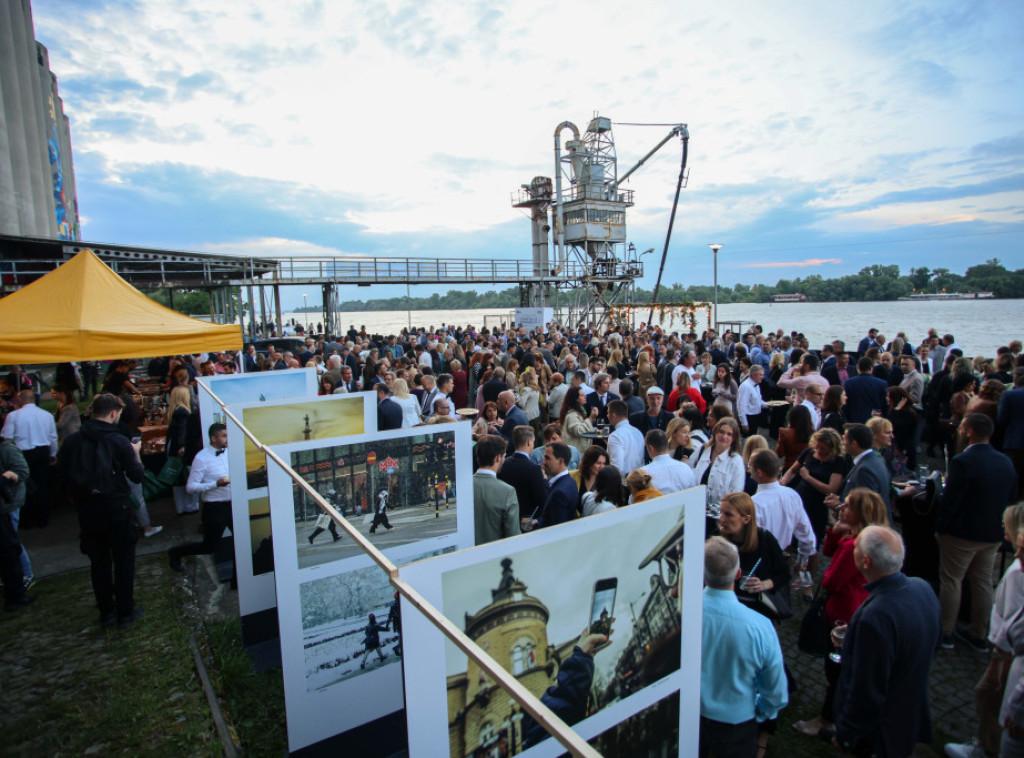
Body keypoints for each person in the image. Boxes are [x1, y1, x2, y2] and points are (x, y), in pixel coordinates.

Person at [831, 526, 942, 757]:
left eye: (856, 547)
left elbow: (866, 690)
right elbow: (924, 640)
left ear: (866, 561)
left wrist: (846, 733)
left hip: (881, 730)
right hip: (909, 708)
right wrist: (855, 639)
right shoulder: (922, 587)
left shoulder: (874, 617)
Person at [793, 488, 890, 740]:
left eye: (847, 506)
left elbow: (830, 581)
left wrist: (825, 573)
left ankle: (827, 720)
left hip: (843, 613)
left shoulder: (854, 547)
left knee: (836, 671)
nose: (841, 508)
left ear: (860, 513)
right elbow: (827, 551)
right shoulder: (860, 537)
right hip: (853, 607)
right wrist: (836, 530)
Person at [59, 393, 145, 628]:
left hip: (88, 508)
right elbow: (137, 476)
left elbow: (61, 477)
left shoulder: (72, 442)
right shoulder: (119, 441)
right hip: (117, 506)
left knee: (99, 562)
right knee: (124, 561)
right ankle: (125, 612)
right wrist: (136, 453)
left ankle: (106, 611)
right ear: (113, 413)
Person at [944, 504, 1024, 758]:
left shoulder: (1017, 573)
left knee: (990, 697)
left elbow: (1013, 622)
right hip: (1004, 650)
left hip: (1007, 654)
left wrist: (999, 658)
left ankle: (986, 748)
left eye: (1006, 523)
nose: (1002, 526)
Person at [936, 413, 1018, 651]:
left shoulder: (963, 461)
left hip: (962, 533)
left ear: (969, 431)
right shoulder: (1005, 462)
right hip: (992, 532)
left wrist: (941, 527)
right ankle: (979, 633)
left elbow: (951, 500)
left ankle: (945, 632)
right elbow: (1011, 496)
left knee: (952, 580)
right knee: (983, 582)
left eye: (962, 427)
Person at [700, 536, 788, 758]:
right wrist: (761, 710)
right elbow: (776, 691)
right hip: (737, 721)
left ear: (702, 573)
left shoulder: (684, 614)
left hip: (690, 714)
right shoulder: (760, 626)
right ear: (738, 574)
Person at [168, 423, 234, 577]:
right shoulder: (201, 458)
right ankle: (176, 552)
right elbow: (190, 487)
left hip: (233, 505)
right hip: (215, 508)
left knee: (241, 541)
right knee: (209, 546)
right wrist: (215, 484)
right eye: (224, 436)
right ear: (213, 438)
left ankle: (236, 579)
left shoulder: (230, 453)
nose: (228, 439)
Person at [750, 449, 816, 570]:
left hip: (759, 563)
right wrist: (802, 559)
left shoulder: (755, 503)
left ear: (759, 472)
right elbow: (805, 531)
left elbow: (751, 540)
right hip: (781, 561)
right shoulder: (792, 495)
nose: (749, 469)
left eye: (750, 465)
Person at [781, 427, 848, 546]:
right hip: (799, 499)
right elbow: (792, 470)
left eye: (823, 448)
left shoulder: (838, 461)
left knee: (811, 539)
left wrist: (808, 478)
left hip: (817, 506)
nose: (819, 450)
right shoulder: (809, 453)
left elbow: (831, 488)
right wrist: (782, 483)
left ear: (832, 448)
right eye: (817, 447)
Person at [1, 390, 57, 529]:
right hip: (42, 451)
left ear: (20, 400)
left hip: (22, 453)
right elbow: (53, 437)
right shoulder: (46, 415)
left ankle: (27, 519)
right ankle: (43, 518)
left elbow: (6, 437)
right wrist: (53, 453)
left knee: (24, 485)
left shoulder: (13, 416)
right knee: (42, 484)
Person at [827, 424, 892, 518]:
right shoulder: (874, 460)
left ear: (854, 443)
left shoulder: (865, 470)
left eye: (844, 439)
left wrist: (838, 506)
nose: (842, 443)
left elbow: (865, 508)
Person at [0, 438, 32, 608]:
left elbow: (23, 471)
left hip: (8, 504)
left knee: (11, 545)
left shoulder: (6, 449)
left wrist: (10, 477)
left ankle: (24, 576)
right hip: (5, 503)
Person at [473, 435, 520, 545]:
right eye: (504, 456)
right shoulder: (507, 492)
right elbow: (513, 535)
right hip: (496, 553)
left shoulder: (462, 487)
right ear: (498, 458)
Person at [690, 418, 745, 507]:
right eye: (721, 432)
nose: (724, 436)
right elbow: (688, 474)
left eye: (729, 434)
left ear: (734, 438)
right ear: (715, 432)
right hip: (694, 506)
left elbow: (736, 493)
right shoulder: (702, 450)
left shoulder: (736, 461)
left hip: (719, 513)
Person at [497, 426, 546, 522]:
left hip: (505, 518)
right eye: (533, 441)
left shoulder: (503, 464)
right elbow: (542, 500)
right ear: (529, 442)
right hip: (526, 521)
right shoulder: (534, 469)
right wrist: (544, 479)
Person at [523, 443, 576, 530]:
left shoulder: (560, 492)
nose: (543, 462)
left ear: (561, 461)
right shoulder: (570, 482)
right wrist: (536, 521)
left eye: (547, 458)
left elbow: (556, 528)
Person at [643, 429, 697, 495]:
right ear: (666, 445)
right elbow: (694, 493)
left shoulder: (644, 473)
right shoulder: (686, 468)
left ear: (650, 448)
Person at [844, 356, 889, 423]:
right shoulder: (882, 383)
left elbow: (846, 404)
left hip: (855, 419)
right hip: (875, 420)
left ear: (858, 368)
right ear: (871, 368)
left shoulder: (849, 383)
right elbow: (885, 405)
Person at [606, 400, 644, 476]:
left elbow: (616, 467)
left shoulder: (615, 436)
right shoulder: (638, 432)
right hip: (639, 477)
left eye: (608, 413)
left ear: (613, 415)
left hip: (623, 480)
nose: (607, 415)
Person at [558, 385, 597, 455]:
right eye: (582, 395)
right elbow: (578, 431)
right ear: (576, 399)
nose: (585, 396)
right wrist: (590, 419)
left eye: (584, 394)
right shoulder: (572, 415)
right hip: (574, 453)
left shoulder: (578, 412)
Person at [775, 404, 814, 471]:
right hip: (806, 469)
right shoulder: (813, 434)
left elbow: (779, 453)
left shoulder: (785, 433)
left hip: (789, 467)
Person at [737, 365, 769, 436]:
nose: (762, 377)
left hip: (756, 417)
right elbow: (741, 405)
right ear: (753, 375)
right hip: (749, 418)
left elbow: (758, 401)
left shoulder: (756, 385)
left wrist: (769, 404)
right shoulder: (745, 386)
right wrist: (744, 423)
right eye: (760, 375)